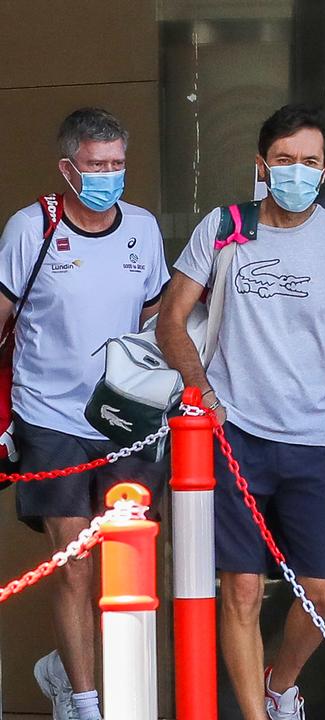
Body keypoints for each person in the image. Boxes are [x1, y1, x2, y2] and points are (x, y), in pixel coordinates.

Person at [156, 103, 325, 720]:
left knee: (324, 593)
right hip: (234, 437)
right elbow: (171, 321)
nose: (297, 172)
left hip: (313, 440)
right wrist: (202, 391)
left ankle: (280, 685)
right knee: (240, 590)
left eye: (309, 162)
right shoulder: (226, 226)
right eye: (284, 160)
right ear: (262, 166)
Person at [0, 107, 170, 720]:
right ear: (67, 169)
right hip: (50, 417)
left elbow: (156, 320)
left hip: (126, 424)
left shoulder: (143, 229)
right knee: (73, 564)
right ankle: (85, 700)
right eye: (96, 166)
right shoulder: (31, 228)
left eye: (118, 164)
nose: (109, 176)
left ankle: (74, 670)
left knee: (122, 558)